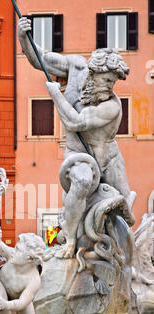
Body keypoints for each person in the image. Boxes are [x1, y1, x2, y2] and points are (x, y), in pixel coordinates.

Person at [17, 17, 136, 259]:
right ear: (93, 72)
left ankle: (117, 258)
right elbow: (41, 59)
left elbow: (75, 122)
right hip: (79, 156)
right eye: (107, 80)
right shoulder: (75, 68)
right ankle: (69, 241)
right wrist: (23, 37)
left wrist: (56, 97)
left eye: (114, 82)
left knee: (125, 214)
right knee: (82, 182)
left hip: (109, 158)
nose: (110, 87)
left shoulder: (112, 106)